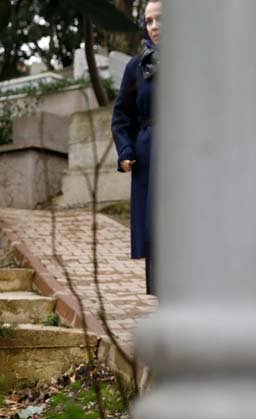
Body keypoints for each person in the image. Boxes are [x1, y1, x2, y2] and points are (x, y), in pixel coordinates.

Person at [111, 0, 161, 295]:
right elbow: (121, 116)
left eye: (160, 19)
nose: (154, 27)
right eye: (149, 21)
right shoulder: (136, 67)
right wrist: (126, 151)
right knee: (156, 230)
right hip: (149, 155)